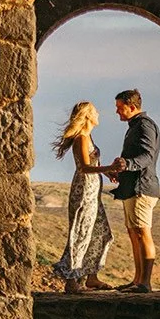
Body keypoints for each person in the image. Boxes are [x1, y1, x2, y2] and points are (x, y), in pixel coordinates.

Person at [49, 101, 116, 294]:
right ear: (87, 116)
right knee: (81, 233)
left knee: (100, 232)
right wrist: (110, 167)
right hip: (84, 191)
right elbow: (84, 168)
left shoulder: (89, 137)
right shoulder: (81, 138)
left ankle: (91, 277)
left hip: (93, 192)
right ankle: (71, 280)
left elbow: (93, 164)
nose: (98, 114)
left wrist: (107, 173)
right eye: (95, 111)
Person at [106, 89, 160, 293]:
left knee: (142, 232)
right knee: (134, 233)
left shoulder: (144, 125)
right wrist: (120, 171)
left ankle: (144, 283)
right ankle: (138, 280)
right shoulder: (135, 126)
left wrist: (127, 164)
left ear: (132, 107)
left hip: (141, 188)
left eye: (119, 108)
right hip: (132, 187)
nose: (117, 112)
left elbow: (147, 155)